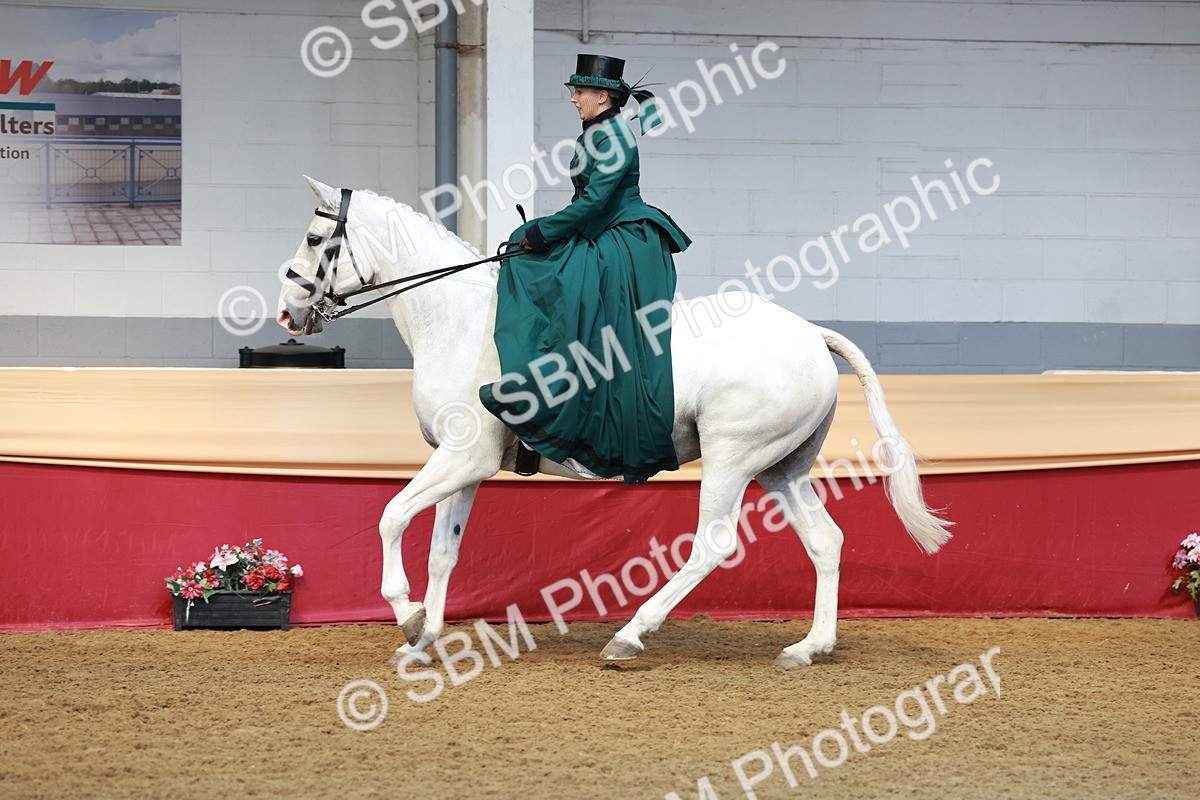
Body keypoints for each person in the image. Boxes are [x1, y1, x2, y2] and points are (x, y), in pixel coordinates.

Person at [479, 54, 691, 484]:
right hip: (600, 224)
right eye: (574, 92)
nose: (574, 99)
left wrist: (545, 232)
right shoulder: (599, 131)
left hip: (625, 240)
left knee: (567, 284)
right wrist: (541, 229)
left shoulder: (612, 136)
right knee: (526, 260)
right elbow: (587, 203)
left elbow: (595, 202)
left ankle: (579, 423)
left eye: (579, 92)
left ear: (602, 95)